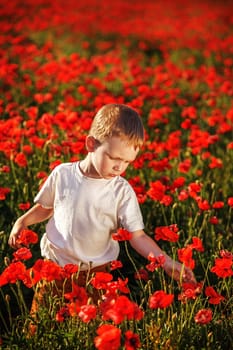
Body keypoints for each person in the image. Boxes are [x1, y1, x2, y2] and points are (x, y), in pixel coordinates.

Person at [9, 103, 196, 312]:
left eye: (127, 162)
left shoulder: (121, 191)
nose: (119, 167)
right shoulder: (63, 174)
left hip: (96, 273)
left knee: (88, 325)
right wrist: (22, 221)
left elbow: (138, 236)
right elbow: (46, 207)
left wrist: (167, 261)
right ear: (91, 144)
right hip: (55, 266)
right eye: (114, 158)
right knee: (44, 318)